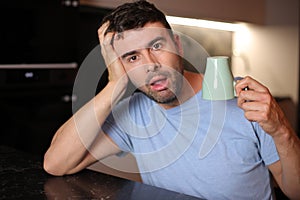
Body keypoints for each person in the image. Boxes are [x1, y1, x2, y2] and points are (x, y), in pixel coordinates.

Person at [43, 1, 300, 199]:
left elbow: (295, 192)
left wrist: (282, 131)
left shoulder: (246, 100)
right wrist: (115, 85)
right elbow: (56, 164)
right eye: (132, 57)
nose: (151, 65)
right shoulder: (134, 113)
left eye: (156, 46)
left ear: (177, 45)